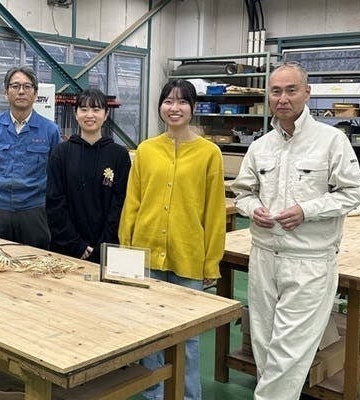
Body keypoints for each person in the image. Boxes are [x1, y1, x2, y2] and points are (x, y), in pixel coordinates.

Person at [231, 62, 360, 400]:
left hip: (309, 261)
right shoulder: (260, 146)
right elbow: (243, 193)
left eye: (291, 90)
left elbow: (354, 193)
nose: (283, 98)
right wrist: (253, 209)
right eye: (276, 91)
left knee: (288, 354)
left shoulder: (331, 141)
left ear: (307, 92)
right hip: (264, 257)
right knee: (264, 346)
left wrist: (307, 211)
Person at [118, 79, 227, 400]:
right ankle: (153, 394)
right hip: (146, 252)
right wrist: (126, 251)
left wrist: (211, 262)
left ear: (193, 108)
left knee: (187, 336)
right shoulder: (146, 150)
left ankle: (188, 395)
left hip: (188, 255)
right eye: (168, 101)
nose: (174, 108)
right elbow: (132, 203)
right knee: (149, 332)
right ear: (160, 107)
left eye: (182, 102)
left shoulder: (210, 153)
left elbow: (214, 212)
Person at [0, 66, 60, 249]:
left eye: (27, 86)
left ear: (35, 94)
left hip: (35, 211)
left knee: (35, 261)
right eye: (15, 86)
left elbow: (56, 173)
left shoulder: (50, 130)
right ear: (6, 92)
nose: (21, 91)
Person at [46, 88, 131, 263]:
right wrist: (75, 244)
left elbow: (120, 203)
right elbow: (55, 202)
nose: (89, 115)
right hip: (66, 247)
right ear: (76, 113)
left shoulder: (119, 155)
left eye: (96, 109)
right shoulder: (61, 153)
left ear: (106, 115)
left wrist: (104, 245)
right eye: (84, 109)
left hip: (107, 250)